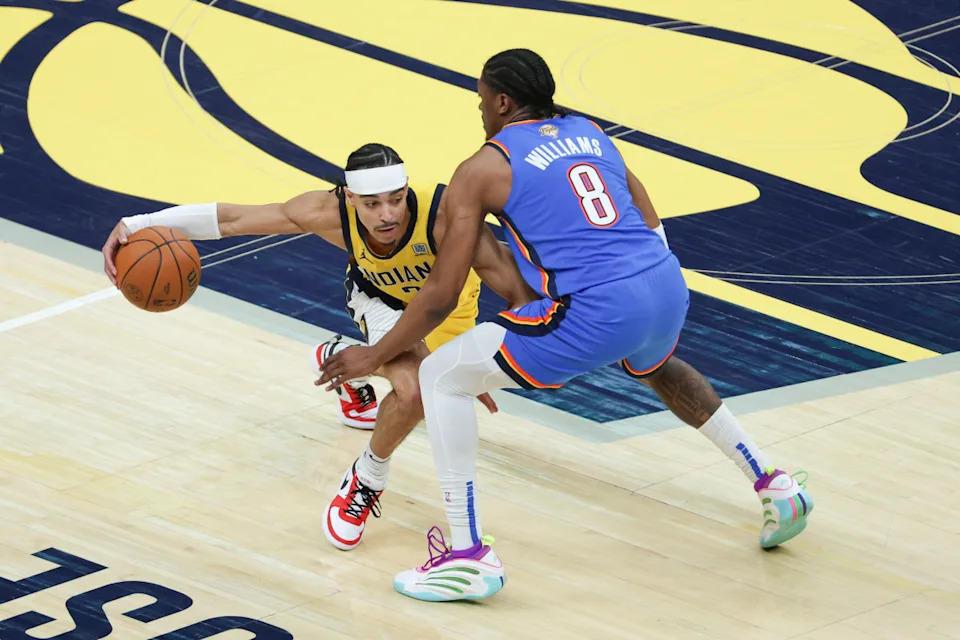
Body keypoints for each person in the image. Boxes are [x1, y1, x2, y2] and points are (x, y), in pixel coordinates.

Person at [317, 49, 814, 602]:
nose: (480, 111)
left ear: (503, 102)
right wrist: (639, 283)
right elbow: (644, 208)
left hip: (598, 307)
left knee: (441, 377)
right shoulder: (589, 130)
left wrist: (372, 354)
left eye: (482, 100)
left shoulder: (483, 166)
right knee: (654, 364)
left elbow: (439, 296)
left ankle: (467, 558)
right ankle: (773, 481)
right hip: (664, 282)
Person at [101, 142, 538, 552]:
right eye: (371, 204)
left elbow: (520, 293)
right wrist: (137, 225)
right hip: (381, 297)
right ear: (349, 199)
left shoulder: (447, 216)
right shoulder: (323, 212)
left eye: (396, 198)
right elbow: (234, 219)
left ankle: (344, 365)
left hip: (450, 301)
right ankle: (366, 478)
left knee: (445, 383)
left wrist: (479, 357)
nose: (387, 214)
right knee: (417, 391)